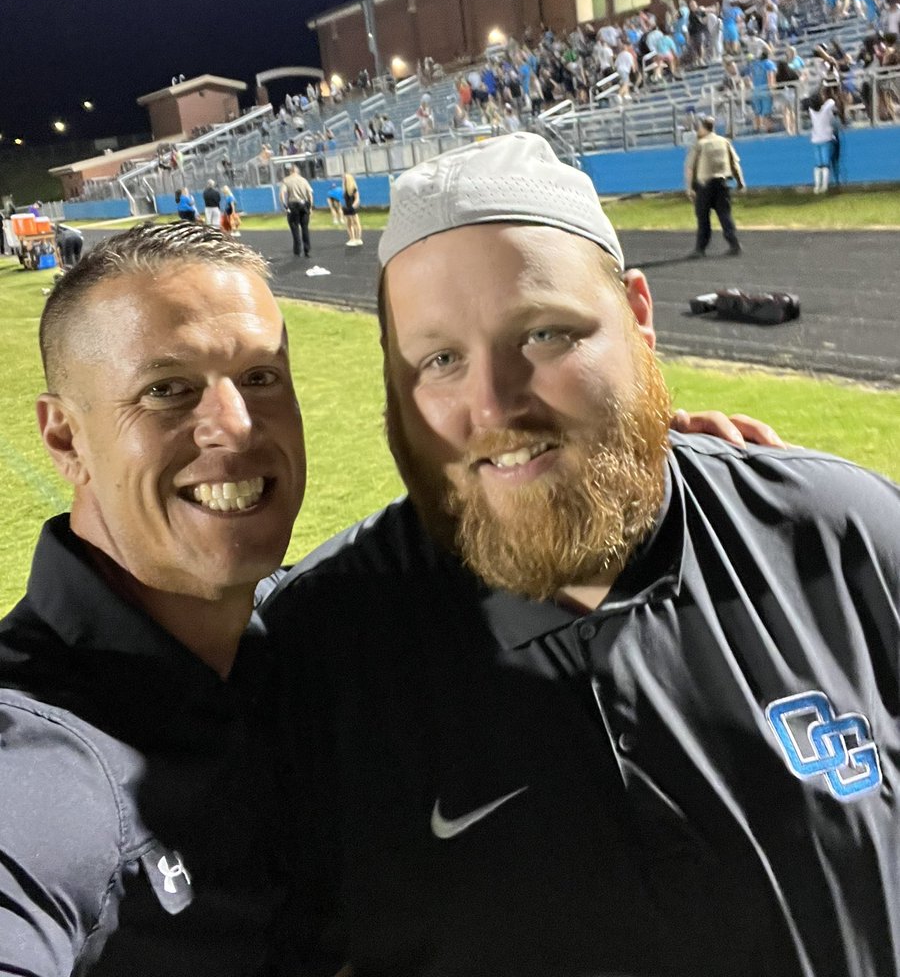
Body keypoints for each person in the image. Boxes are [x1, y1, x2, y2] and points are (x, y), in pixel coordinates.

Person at [264, 133, 900, 977]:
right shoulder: (313, 655)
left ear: (638, 316)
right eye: (440, 358)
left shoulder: (841, 534)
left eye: (544, 336)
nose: (493, 404)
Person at [0, 222, 307, 974]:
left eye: (262, 376)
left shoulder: (302, 634)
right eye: (167, 389)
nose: (236, 425)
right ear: (66, 439)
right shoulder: (39, 756)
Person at [684, 115, 745, 257]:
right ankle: (734, 244)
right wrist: (740, 182)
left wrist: (689, 188)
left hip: (704, 185)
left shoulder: (699, 144)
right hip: (722, 184)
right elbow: (735, 164)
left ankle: (700, 249)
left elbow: (690, 168)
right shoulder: (724, 142)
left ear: (702, 128)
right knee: (725, 215)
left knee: (703, 218)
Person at [808, 88, 841, 193]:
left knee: (818, 164)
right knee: (826, 163)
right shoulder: (826, 107)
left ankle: (817, 186)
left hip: (815, 139)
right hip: (826, 138)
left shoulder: (811, 110)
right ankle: (824, 186)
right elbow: (832, 101)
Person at [280, 162, 314, 258]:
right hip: (304, 204)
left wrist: (285, 206)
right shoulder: (303, 180)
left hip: (293, 205)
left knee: (294, 228)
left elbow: (282, 194)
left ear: (290, 171)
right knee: (305, 228)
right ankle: (307, 250)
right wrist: (310, 207)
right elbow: (310, 194)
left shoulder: (286, 180)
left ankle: (297, 251)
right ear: (298, 171)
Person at [341, 172, 362, 247]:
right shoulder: (345, 190)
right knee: (348, 224)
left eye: (344, 179)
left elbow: (357, 199)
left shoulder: (354, 188)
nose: (343, 180)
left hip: (353, 208)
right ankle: (352, 239)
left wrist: (352, 207)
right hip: (347, 208)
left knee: (356, 223)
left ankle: (358, 239)